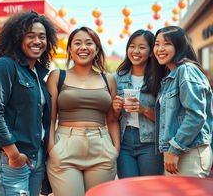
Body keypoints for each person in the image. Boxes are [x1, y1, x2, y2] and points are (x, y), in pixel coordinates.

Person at [0, 11, 57, 196]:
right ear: (17, 38)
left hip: (34, 156)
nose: (37, 41)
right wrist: (14, 154)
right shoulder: (4, 66)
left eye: (42, 37)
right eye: (30, 36)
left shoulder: (37, 73)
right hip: (9, 157)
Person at [46, 27, 120, 196]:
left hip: (101, 147)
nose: (83, 47)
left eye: (89, 43)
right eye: (77, 43)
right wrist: (52, 149)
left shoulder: (108, 79)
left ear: (97, 49)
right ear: (70, 49)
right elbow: (50, 118)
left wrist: (115, 149)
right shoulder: (57, 76)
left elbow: (112, 120)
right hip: (65, 146)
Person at [152, 26, 213, 177]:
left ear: (179, 45)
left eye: (166, 43)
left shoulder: (186, 70)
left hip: (189, 153)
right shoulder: (171, 75)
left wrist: (174, 150)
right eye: (157, 43)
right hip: (181, 151)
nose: (160, 48)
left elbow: (196, 116)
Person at [112, 29, 164, 178]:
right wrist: (115, 109)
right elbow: (111, 119)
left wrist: (144, 109)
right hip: (124, 141)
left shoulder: (160, 79)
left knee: (148, 189)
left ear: (150, 52)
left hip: (151, 142)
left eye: (142, 47)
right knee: (129, 188)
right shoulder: (117, 79)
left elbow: (166, 119)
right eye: (132, 46)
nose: (135, 51)